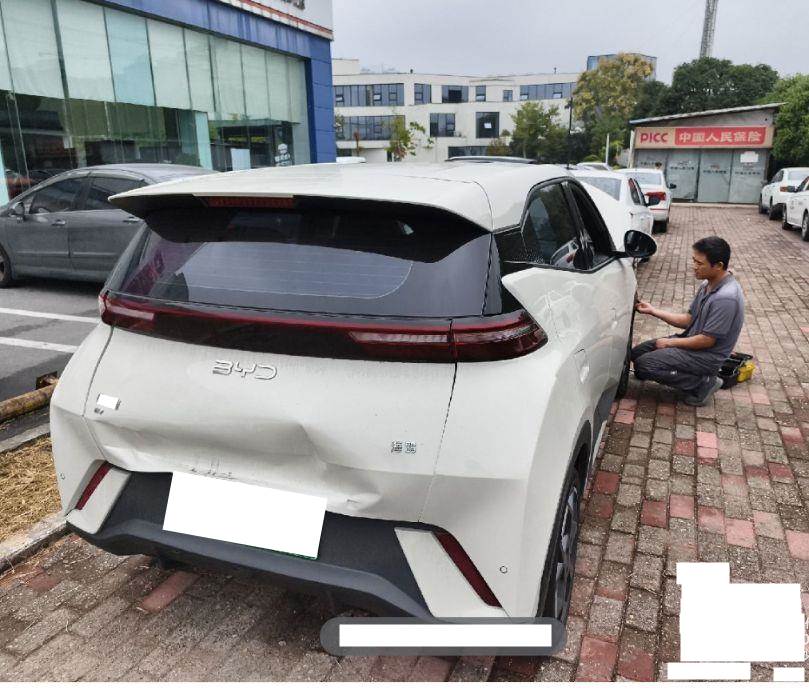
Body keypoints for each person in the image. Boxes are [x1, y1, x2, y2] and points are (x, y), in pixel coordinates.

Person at [632, 236, 745, 406]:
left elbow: (706, 341)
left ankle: (703, 383)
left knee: (645, 365)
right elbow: (688, 320)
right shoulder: (707, 284)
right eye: (694, 261)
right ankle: (676, 371)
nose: (694, 267)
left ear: (718, 266)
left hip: (706, 356)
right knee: (636, 354)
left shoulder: (726, 298)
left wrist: (670, 343)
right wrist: (653, 311)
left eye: (699, 263)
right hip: (692, 344)